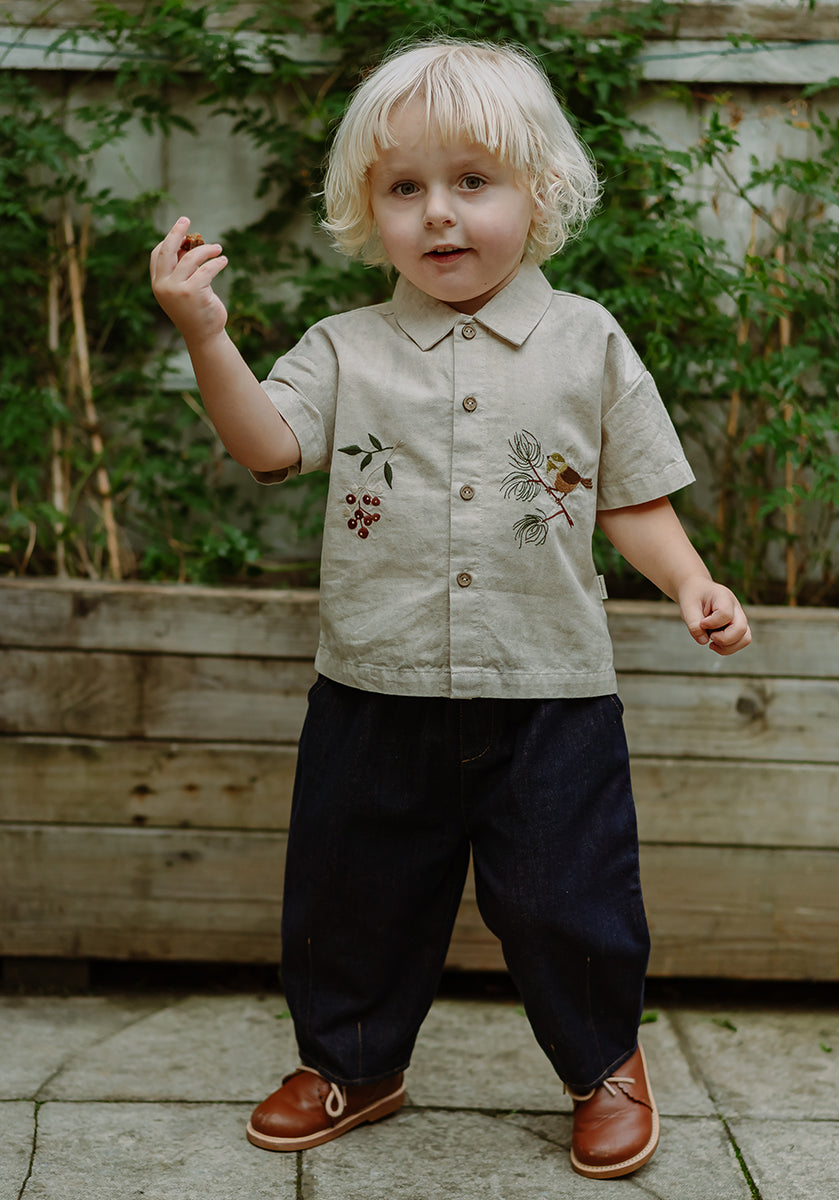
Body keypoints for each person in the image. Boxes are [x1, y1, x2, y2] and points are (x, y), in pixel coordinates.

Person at [150, 38, 751, 1181]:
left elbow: (631, 497)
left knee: (571, 900)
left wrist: (691, 582)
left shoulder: (588, 340)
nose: (439, 213)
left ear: (541, 193)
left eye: (474, 181)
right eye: (405, 187)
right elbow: (268, 446)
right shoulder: (346, 349)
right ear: (365, 208)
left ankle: (605, 1065)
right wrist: (205, 334)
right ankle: (353, 1063)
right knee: (352, 895)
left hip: (550, 691)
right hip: (373, 688)